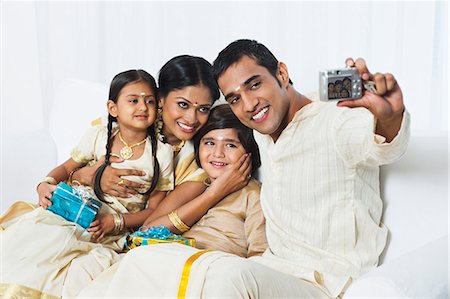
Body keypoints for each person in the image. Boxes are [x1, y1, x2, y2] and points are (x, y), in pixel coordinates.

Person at [193, 39, 410, 298]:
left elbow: (383, 146)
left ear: (281, 73)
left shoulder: (335, 120)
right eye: (235, 98)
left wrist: (389, 116)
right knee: (154, 258)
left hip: (326, 283)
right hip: (272, 269)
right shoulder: (261, 128)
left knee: (226, 276)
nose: (249, 104)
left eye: (255, 85)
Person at [0, 69, 174, 298]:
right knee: (34, 236)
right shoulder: (99, 136)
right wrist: (45, 184)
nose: (143, 107)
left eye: (149, 101)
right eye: (133, 100)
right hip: (74, 207)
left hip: (107, 227)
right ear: (113, 108)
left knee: (73, 258)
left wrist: (116, 221)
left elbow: (153, 210)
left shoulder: (161, 153)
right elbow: (66, 168)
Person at [76, 104, 268, 298]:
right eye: (209, 143)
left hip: (208, 268)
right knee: (90, 267)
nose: (218, 153)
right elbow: (148, 230)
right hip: (169, 256)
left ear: (250, 152)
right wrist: (213, 194)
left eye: (230, 145)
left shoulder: (254, 195)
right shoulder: (197, 185)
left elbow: (259, 259)